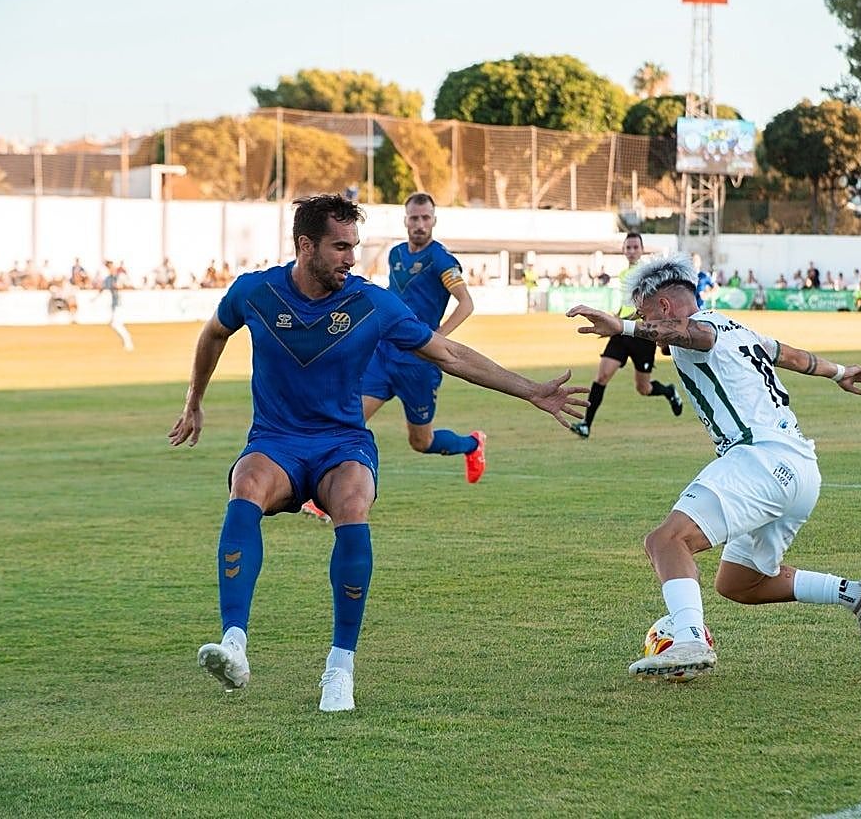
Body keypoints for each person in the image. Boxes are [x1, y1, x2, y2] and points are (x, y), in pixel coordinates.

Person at [169, 194, 586, 712]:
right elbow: (213, 333)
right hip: (276, 441)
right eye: (340, 247)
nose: (351, 257)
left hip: (343, 442)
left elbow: (449, 352)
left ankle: (339, 668)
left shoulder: (372, 302)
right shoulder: (255, 292)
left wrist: (531, 390)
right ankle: (234, 644)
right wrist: (194, 401)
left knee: (350, 500)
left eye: (354, 246)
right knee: (246, 482)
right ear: (305, 246)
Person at [566, 258, 861, 682]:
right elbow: (791, 356)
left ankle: (689, 640)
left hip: (759, 459)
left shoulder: (698, 329)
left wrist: (625, 330)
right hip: (800, 470)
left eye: (645, 315)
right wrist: (841, 372)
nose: (645, 329)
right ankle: (857, 595)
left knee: (665, 541)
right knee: (740, 583)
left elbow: (688, 333)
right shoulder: (738, 328)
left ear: (665, 306)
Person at [359, 192, 486, 483]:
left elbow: (466, 303)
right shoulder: (396, 255)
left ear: (434, 220)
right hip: (383, 355)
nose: (419, 223)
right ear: (406, 220)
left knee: (421, 442)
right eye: (414, 218)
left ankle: (472, 445)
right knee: (350, 422)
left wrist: (437, 337)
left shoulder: (441, 260)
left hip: (419, 364)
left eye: (425, 218)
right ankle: (331, 492)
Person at [570, 233, 683, 438]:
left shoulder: (647, 274)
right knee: (602, 376)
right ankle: (586, 424)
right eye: (628, 247)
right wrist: (613, 321)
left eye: (635, 247)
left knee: (643, 388)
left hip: (642, 334)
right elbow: (625, 306)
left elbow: (648, 306)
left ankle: (668, 391)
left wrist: (627, 321)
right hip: (622, 332)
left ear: (641, 250)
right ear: (623, 250)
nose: (631, 251)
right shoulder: (623, 275)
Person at [98, 261, 133, 351]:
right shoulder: (109, 278)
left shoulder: (120, 276)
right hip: (114, 304)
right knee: (115, 324)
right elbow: (102, 287)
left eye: (111, 267)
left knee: (116, 324)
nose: (110, 269)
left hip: (120, 304)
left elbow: (129, 285)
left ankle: (128, 343)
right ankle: (127, 342)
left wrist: (120, 286)